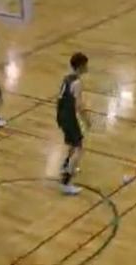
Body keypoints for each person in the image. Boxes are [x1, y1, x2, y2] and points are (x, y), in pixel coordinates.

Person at [57, 52, 90, 195]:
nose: (87, 67)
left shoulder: (66, 78)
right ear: (81, 66)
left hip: (61, 114)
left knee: (72, 143)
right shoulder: (77, 83)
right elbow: (79, 105)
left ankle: (66, 166)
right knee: (79, 148)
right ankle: (66, 182)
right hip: (69, 116)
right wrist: (86, 119)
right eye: (86, 65)